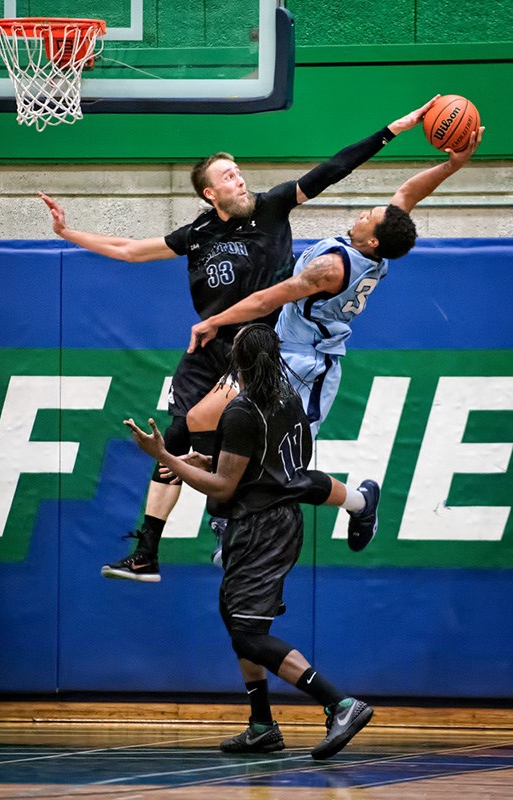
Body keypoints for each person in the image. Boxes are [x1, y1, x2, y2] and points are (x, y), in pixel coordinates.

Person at [39, 97, 438, 583]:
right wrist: (68, 232)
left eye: (239, 171)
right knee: (177, 435)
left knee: (252, 459)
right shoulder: (199, 231)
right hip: (206, 349)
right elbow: (128, 251)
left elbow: (334, 167)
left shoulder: (272, 208)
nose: (240, 178)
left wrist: (390, 130)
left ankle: (228, 521)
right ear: (210, 193)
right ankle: (147, 551)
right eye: (228, 176)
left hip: (255, 349)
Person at [185, 125, 484, 564]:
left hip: (307, 365)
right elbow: (407, 193)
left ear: (372, 239)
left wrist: (213, 321)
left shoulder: (330, 269)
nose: (365, 211)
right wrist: (452, 164)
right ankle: (227, 514)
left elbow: (268, 299)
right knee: (200, 417)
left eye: (369, 216)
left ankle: (360, 504)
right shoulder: (374, 246)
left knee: (289, 476)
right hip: (274, 352)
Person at [124, 323, 379, 759]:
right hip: (276, 520)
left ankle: (340, 703)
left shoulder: (243, 410)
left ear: (235, 361)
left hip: (260, 529)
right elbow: (261, 461)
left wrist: (165, 456)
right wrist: (200, 459)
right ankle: (262, 724)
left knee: (247, 635)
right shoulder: (287, 397)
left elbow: (223, 487)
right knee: (238, 623)